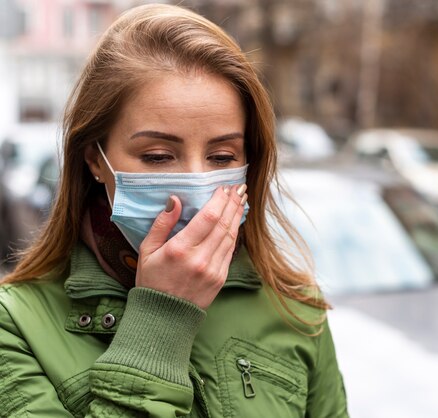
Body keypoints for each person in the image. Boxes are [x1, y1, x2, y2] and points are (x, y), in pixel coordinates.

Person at [0, 4, 348, 417]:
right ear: (95, 159)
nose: (197, 188)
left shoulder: (296, 309)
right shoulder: (15, 326)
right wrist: (160, 321)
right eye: (159, 156)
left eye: (221, 157)